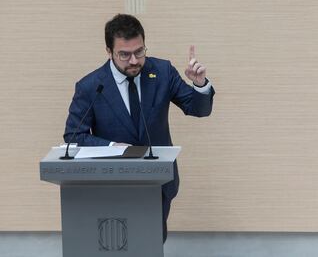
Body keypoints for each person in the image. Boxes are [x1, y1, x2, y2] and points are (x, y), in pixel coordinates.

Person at [63, 14, 215, 242]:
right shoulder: (91, 86)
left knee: (152, 243)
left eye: (139, 51)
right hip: (110, 185)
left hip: (158, 181)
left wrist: (200, 84)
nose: (134, 60)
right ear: (109, 51)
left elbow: (198, 109)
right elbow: (74, 137)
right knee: (114, 244)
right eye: (124, 54)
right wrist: (114, 147)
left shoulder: (162, 71)